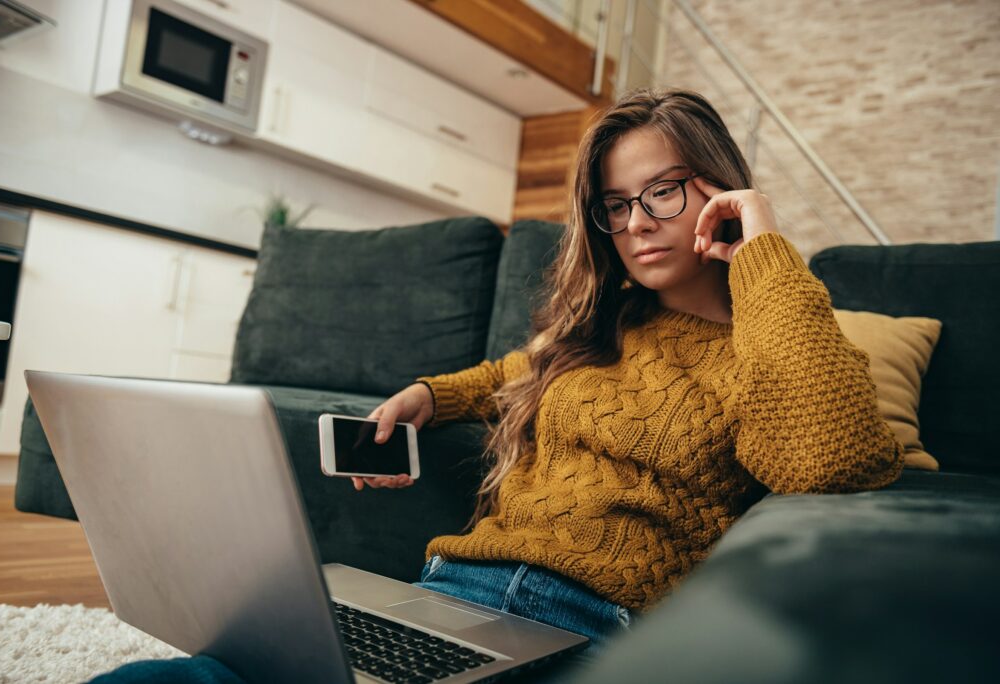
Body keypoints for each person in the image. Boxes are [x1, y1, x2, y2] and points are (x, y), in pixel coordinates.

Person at [90, 87, 903, 683]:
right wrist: (429, 394)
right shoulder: (603, 332)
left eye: (665, 189)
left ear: (720, 187)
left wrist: (764, 247)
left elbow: (830, 461)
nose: (640, 223)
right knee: (190, 680)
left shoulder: (777, 339)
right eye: (616, 206)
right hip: (451, 588)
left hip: (594, 627)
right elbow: (505, 374)